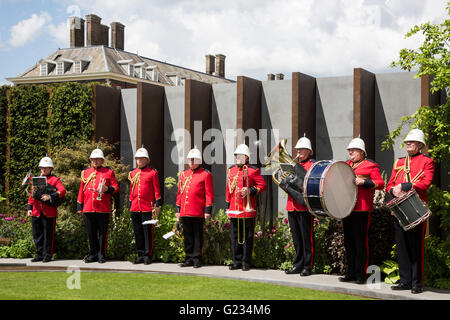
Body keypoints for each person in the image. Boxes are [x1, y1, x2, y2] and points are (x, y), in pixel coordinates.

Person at [386, 129, 434, 294]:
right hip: (399, 210)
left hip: (416, 209)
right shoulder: (399, 162)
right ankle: (405, 281)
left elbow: (425, 183)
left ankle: (416, 283)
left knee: (416, 248)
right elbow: (389, 184)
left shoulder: (427, 161)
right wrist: (393, 191)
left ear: (420, 145)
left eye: (411, 142)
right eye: (407, 142)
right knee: (402, 248)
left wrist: (405, 186)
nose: (408, 144)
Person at [340, 138, 384, 284]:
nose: (350, 152)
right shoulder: (346, 165)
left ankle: (361, 275)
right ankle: (350, 273)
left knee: (360, 242)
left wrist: (364, 182)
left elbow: (380, 184)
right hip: (347, 208)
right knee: (349, 242)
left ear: (362, 152)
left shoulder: (370, 165)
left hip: (362, 209)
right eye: (349, 150)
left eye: (353, 150)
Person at [226, 144, 266, 271]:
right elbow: (228, 190)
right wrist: (228, 206)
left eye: (241, 155)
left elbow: (262, 185)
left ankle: (246, 262)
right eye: (236, 155)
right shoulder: (231, 170)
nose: (238, 157)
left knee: (247, 237)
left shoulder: (253, 170)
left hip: (247, 209)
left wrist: (250, 190)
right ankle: (236, 261)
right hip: (234, 209)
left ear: (247, 158)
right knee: (235, 236)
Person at [77, 148, 119, 263]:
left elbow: (116, 188)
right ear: (90, 160)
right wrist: (80, 206)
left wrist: (107, 189)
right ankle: (93, 254)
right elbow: (82, 189)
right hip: (88, 207)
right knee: (90, 233)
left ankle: (101, 254)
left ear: (102, 160)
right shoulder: (85, 173)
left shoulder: (108, 172)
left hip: (103, 208)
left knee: (102, 233)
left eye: (98, 159)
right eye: (93, 159)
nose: (95, 161)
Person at [176, 147, 214, 268]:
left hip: (197, 211)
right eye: (190, 160)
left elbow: (209, 193)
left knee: (197, 236)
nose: (191, 162)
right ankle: (188, 258)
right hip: (185, 211)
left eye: (193, 159)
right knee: (187, 235)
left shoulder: (205, 174)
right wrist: (178, 209)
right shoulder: (184, 174)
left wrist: (207, 210)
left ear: (198, 160)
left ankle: (197, 258)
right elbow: (180, 193)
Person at [284, 136, 315, 276]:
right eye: (297, 149)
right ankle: (297, 264)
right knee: (296, 238)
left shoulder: (312, 165)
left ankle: (307, 266)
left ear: (309, 151)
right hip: (292, 205)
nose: (299, 152)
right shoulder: (292, 165)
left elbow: (309, 184)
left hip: (304, 206)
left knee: (306, 238)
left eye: (302, 149)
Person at [27, 156, 66, 262]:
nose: (43, 169)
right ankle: (39, 254)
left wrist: (51, 196)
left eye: (46, 167)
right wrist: (29, 208)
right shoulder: (36, 179)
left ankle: (47, 255)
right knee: (37, 234)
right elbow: (32, 195)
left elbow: (62, 191)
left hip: (49, 211)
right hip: (36, 211)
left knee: (48, 235)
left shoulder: (55, 179)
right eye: (42, 168)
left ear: (50, 168)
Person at [128, 147, 162, 265]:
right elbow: (131, 191)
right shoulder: (132, 173)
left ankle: (148, 255)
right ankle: (140, 254)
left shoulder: (152, 173)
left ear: (147, 160)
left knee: (147, 232)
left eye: (142, 158)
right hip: (135, 207)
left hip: (147, 207)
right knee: (137, 232)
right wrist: (130, 204)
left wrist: (158, 203)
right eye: (138, 158)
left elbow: (156, 190)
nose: (139, 160)